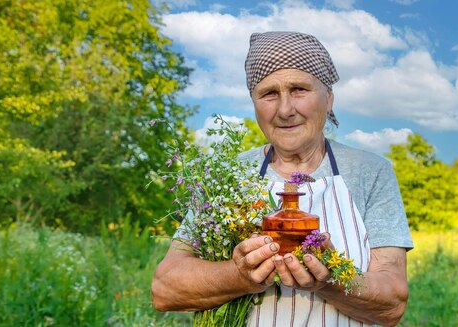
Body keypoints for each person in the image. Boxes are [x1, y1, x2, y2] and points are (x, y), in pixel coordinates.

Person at [152, 31, 413, 326]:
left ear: (329, 98)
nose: (285, 110)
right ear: (254, 102)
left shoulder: (370, 172)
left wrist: (329, 279)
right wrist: (239, 276)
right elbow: (165, 289)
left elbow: (392, 303)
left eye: (300, 89)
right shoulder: (224, 178)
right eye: (269, 94)